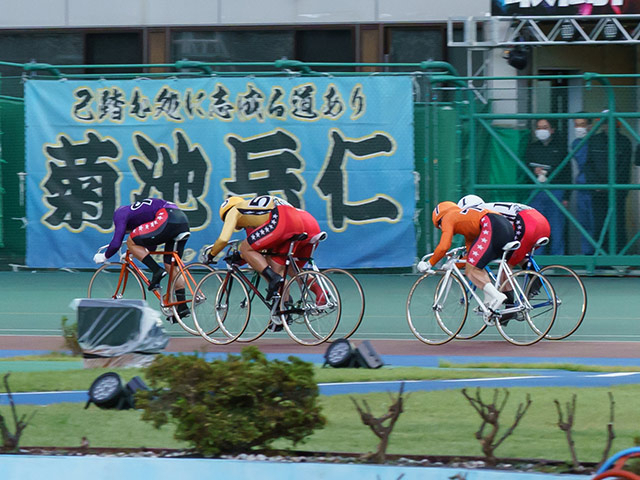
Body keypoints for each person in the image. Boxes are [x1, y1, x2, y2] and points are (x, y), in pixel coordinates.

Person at [204, 194, 324, 306]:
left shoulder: (235, 210)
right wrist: (241, 258)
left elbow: (224, 240)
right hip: (301, 221)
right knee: (291, 269)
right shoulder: (253, 211)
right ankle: (311, 298)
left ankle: (276, 286)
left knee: (252, 253)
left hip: (283, 218)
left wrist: (211, 255)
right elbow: (262, 246)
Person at [92, 198, 191, 318]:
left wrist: (104, 256)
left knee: (130, 241)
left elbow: (116, 242)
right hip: (182, 220)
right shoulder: (142, 217)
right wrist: (134, 253)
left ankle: (157, 271)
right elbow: (152, 246)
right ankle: (182, 306)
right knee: (171, 266)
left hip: (166, 216)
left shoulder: (120, 213)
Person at [457, 195, 550, 315]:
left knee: (506, 264)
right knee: (516, 252)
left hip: (526, 222)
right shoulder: (491, 206)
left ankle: (509, 307)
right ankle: (535, 278)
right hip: (541, 222)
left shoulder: (479, 214)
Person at [418, 201, 515, 311]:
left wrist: (429, 263)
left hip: (491, 224)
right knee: (477, 266)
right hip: (504, 226)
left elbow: (444, 246)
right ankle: (488, 302)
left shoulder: (448, 217)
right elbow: (470, 256)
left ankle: (497, 296)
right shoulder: (467, 222)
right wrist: (454, 264)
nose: (441, 228)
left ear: (440, 218)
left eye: (439, 226)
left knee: (471, 271)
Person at [586, 112, 633, 253]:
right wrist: (597, 184)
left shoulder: (624, 142)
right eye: (605, 122)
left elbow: (624, 169)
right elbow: (588, 165)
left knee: (617, 224)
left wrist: (610, 186)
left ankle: (619, 257)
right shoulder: (594, 141)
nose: (608, 126)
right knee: (599, 225)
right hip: (598, 193)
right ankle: (600, 257)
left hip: (617, 192)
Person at [523, 118, 570, 255]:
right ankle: (537, 259)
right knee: (537, 228)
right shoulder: (532, 147)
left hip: (556, 190)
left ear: (552, 130)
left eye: (544, 127)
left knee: (557, 228)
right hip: (536, 192)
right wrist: (534, 171)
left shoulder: (560, 148)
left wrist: (566, 196)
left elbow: (567, 172)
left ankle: (557, 259)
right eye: (539, 127)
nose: (541, 130)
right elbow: (525, 168)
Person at [571, 116, 595, 255]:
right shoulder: (576, 143)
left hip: (596, 188)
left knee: (595, 223)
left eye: (582, 124)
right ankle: (587, 254)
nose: (579, 128)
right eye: (576, 125)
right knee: (584, 223)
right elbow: (582, 160)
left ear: (590, 126)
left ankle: (599, 256)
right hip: (582, 186)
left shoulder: (596, 142)